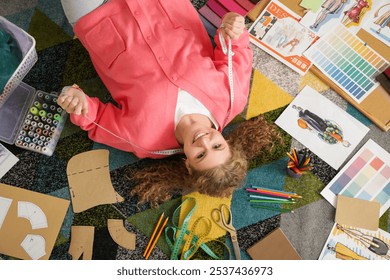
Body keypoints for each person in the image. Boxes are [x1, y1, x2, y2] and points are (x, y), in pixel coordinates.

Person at [58, 0, 282, 206]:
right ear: (228, 142)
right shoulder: (233, 97)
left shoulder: (145, 142)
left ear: (188, 164)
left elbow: (95, 119)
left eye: (200, 155)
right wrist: (234, 29)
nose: (204, 142)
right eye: (217, 146)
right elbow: (235, 49)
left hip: (98, 19)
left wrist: (76, 100)